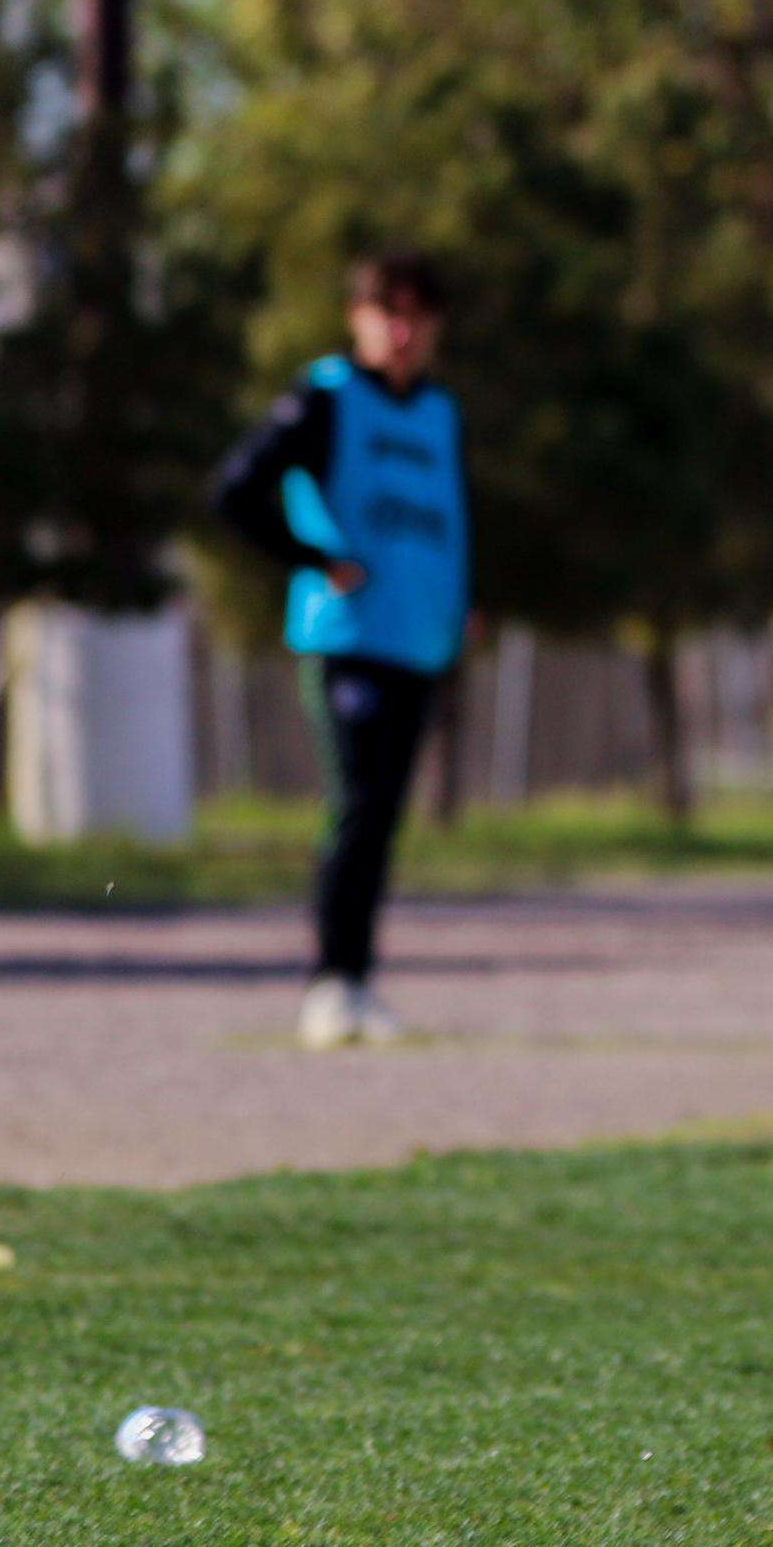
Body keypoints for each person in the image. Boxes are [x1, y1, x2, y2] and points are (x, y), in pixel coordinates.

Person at [207, 251, 470, 1051]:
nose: (402, 330)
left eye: (417, 314)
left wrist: (461, 602)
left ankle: (358, 983)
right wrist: (316, 560)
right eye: (387, 312)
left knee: (383, 814)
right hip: (347, 637)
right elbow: (235, 492)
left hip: (416, 640)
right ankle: (328, 983)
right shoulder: (327, 398)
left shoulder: (438, 413)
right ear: (357, 317)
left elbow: (445, 520)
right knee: (357, 807)